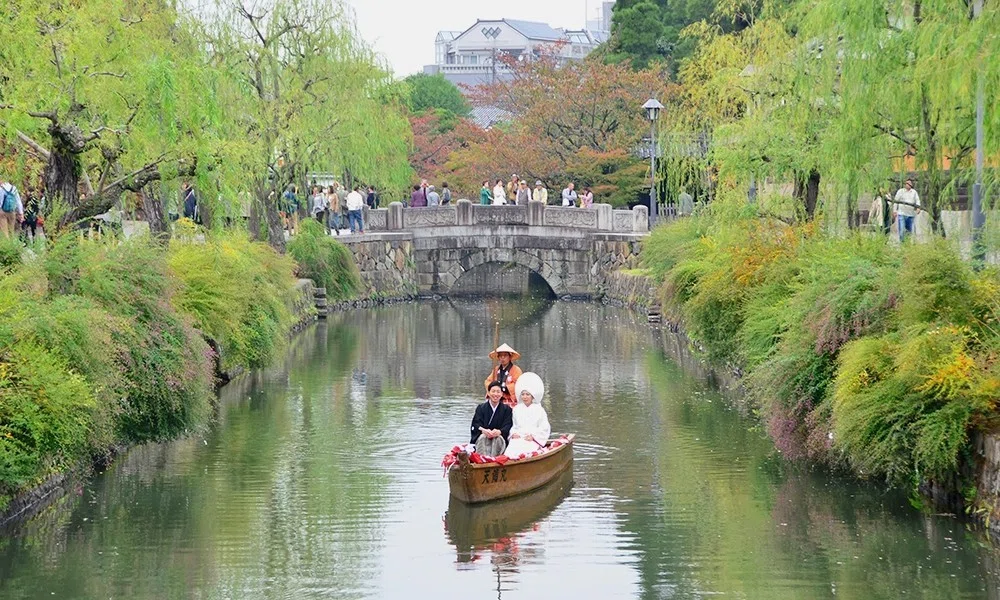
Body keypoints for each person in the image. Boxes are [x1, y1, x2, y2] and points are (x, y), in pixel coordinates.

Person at [503, 372, 551, 459]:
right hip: (518, 437)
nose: (525, 397)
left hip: (532, 438)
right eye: (523, 394)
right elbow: (514, 426)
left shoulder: (539, 410)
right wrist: (513, 434)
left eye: (527, 394)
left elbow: (544, 428)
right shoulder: (517, 409)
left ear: (532, 396)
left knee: (527, 450)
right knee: (511, 450)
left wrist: (533, 436)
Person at [470, 381, 514, 456]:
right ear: (488, 393)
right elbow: (475, 424)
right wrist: (484, 430)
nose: (495, 394)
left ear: (502, 394)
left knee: (498, 438)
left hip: (499, 436)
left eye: (498, 392)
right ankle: (482, 459)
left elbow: (508, 425)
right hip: (484, 435)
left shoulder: (507, 409)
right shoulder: (481, 408)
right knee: (483, 437)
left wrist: (499, 431)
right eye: (493, 391)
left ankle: (496, 459)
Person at [483, 343, 523, 407]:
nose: (502, 358)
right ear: (498, 357)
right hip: (497, 398)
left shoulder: (516, 370)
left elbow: (519, 384)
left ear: (510, 357)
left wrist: (505, 388)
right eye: (500, 356)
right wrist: (494, 388)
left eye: (505, 356)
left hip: (509, 399)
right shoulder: (496, 369)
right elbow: (488, 381)